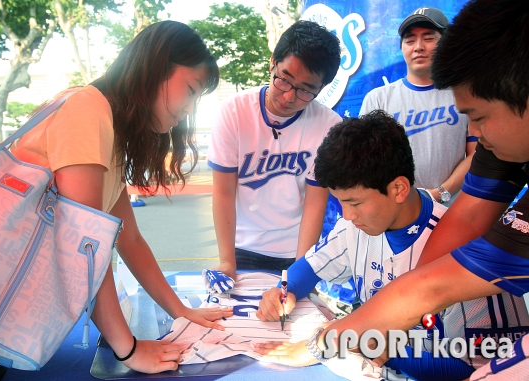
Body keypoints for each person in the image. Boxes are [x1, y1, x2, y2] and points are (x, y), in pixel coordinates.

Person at [257, 1, 529, 379]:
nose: (476, 137)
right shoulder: (358, 226)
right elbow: (432, 269)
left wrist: (359, 343)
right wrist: (285, 289)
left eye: (478, 118)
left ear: (399, 188)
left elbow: (479, 357)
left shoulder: (484, 256)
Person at [8, 21, 233, 374]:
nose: (190, 108)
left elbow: (130, 239)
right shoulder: (86, 108)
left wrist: (181, 312)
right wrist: (127, 349)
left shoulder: (109, 135)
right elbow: (84, 244)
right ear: (156, 67)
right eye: (190, 89)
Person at [206, 20, 342, 282]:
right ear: (272, 63)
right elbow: (223, 192)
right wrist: (226, 261)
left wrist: (301, 271)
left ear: (321, 88)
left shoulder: (329, 125)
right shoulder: (233, 113)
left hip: (296, 249)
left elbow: (316, 202)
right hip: (241, 247)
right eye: (284, 80)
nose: (289, 97)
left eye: (306, 90)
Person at [359, 7, 476, 206]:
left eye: (428, 38)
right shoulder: (377, 100)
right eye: (410, 40)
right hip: (396, 214)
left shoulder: (465, 94)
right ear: (402, 47)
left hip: (452, 211)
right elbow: (366, 163)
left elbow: (477, 154)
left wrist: (440, 193)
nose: (418, 47)